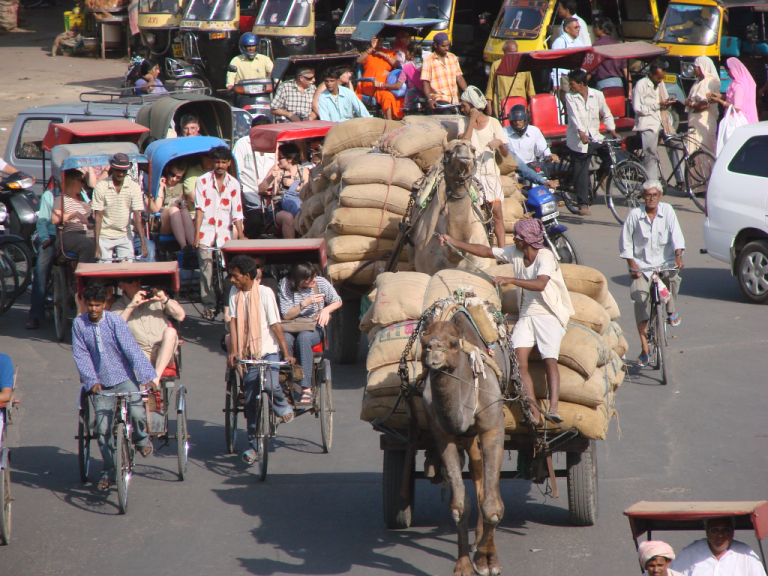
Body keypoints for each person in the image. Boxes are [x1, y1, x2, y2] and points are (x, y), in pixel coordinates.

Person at [438, 218, 574, 425]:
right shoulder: (516, 252)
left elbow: (540, 284)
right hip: (527, 316)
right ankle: (533, 412)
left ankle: (553, 408)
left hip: (549, 315)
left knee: (549, 360)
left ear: (526, 240)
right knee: (519, 362)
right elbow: (485, 251)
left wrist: (509, 280)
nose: (514, 239)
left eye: (517, 237)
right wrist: (453, 242)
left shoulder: (545, 256)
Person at [72, 283, 157, 491]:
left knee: (137, 413)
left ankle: (141, 438)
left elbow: (132, 350)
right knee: (102, 430)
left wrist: (147, 377)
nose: (93, 309)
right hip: (101, 384)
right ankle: (109, 470)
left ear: (104, 304)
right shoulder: (79, 324)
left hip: (124, 377)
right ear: (85, 303)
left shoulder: (116, 322)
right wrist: (92, 381)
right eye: (90, 305)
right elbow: (81, 355)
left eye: (98, 305)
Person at [227, 255, 296, 464]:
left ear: (248, 276)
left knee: (272, 384)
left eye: (235, 276)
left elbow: (275, 325)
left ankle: (282, 407)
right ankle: (253, 446)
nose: (232, 280)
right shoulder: (234, 293)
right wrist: (234, 351)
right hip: (248, 354)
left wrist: (286, 353)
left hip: (268, 350)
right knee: (250, 399)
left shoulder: (265, 293)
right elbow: (234, 323)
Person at [619, 181, 685, 367]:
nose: (651, 198)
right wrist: (633, 266)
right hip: (642, 267)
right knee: (640, 299)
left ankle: (671, 310)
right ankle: (644, 348)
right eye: (648, 195)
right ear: (642, 197)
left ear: (660, 196)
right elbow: (626, 244)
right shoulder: (634, 215)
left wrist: (678, 257)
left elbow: (677, 236)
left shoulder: (668, 211)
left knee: (673, 278)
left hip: (665, 263)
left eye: (655, 195)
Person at [193, 146, 245, 319]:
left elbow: (237, 213)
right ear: (213, 163)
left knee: (228, 271)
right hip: (206, 232)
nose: (220, 165)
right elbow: (199, 210)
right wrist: (196, 235)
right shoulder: (202, 181)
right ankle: (208, 304)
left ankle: (228, 305)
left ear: (229, 163)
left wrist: (241, 235)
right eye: (217, 162)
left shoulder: (234, 184)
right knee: (206, 269)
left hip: (226, 234)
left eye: (223, 162)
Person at [278, 262, 341, 405]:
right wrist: (305, 303)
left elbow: (337, 301)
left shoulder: (320, 283)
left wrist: (325, 310)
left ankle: (306, 387)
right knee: (285, 340)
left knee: (304, 338)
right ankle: (286, 384)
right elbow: (286, 315)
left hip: (312, 326)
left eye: (314, 276)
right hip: (291, 325)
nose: (314, 280)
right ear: (298, 280)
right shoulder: (286, 284)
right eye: (309, 278)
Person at [111, 277, 185, 388]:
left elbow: (181, 316)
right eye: (130, 281)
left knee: (171, 331)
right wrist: (132, 305)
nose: (135, 283)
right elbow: (115, 326)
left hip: (163, 350)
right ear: (121, 286)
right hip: (140, 353)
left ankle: (156, 378)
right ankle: (148, 396)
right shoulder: (119, 305)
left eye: (137, 280)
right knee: (141, 389)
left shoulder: (154, 298)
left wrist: (165, 299)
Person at [458, 85, 508, 247]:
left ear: (473, 106)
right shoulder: (463, 122)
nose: (462, 109)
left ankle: (502, 252)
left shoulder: (493, 123)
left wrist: (499, 143)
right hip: (473, 176)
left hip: (490, 175)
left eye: (464, 106)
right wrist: (472, 120)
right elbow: (464, 143)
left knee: (497, 214)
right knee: (477, 216)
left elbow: (506, 154)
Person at [565, 68, 619, 216]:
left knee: (610, 155)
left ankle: (601, 174)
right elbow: (574, 116)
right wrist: (581, 133)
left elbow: (606, 112)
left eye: (572, 84)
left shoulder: (597, 95)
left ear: (581, 84)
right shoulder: (570, 96)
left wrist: (611, 129)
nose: (570, 87)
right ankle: (583, 204)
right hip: (577, 139)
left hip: (594, 135)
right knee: (581, 171)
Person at [93, 153, 148, 260]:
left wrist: (143, 243)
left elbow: (137, 216)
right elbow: (98, 217)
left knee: (127, 270)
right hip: (104, 235)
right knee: (104, 269)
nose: (121, 174)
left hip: (125, 235)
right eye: (118, 170)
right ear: (112, 169)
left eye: (124, 171)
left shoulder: (134, 187)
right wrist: (97, 245)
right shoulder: (101, 187)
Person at [671, 517, 767, 576]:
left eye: (725, 530)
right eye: (714, 530)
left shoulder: (746, 554)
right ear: (707, 531)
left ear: (732, 532)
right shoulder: (690, 553)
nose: (720, 534)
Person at [633, 60, 678, 183]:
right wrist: (657, 105)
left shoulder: (661, 84)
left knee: (676, 146)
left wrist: (668, 102)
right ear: (651, 74)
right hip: (647, 124)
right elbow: (637, 108)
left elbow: (663, 101)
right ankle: (652, 184)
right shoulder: (641, 85)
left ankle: (681, 181)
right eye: (658, 78)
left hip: (662, 122)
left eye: (661, 78)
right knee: (650, 155)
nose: (660, 80)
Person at [233, 115, 274, 239]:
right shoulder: (242, 144)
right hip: (249, 194)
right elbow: (236, 171)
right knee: (254, 222)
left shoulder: (273, 144)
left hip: (271, 195)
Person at [258, 143, 309, 240]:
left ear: (290, 159)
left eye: (280, 158)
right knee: (288, 217)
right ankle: (291, 249)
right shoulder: (277, 170)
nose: (278, 160)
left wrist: (295, 186)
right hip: (279, 206)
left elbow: (307, 191)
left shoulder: (304, 171)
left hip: (298, 204)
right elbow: (261, 189)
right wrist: (270, 178)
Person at [148, 158, 196, 248]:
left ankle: (193, 246)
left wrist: (181, 203)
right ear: (167, 170)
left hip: (178, 220)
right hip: (162, 222)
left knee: (184, 211)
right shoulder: (160, 183)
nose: (174, 179)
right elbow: (157, 208)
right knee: (174, 209)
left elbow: (183, 204)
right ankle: (184, 246)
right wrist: (161, 188)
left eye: (178, 177)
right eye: (172, 175)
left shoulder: (180, 185)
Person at [51, 168, 96, 263]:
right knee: (87, 244)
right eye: (81, 181)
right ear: (72, 182)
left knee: (104, 240)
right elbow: (55, 219)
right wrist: (72, 214)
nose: (83, 184)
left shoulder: (82, 199)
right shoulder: (61, 199)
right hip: (70, 234)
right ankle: (85, 274)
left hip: (87, 232)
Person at [504, 104, 560, 180]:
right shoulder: (503, 132)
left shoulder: (534, 131)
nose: (517, 123)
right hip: (513, 172)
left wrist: (549, 155)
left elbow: (542, 150)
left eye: (520, 120)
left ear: (526, 119)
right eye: (515, 121)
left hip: (532, 171)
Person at [484, 40, 535, 118]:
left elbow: (530, 89)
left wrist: (530, 107)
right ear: (504, 52)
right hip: (502, 109)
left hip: (520, 108)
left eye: (516, 52)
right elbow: (490, 87)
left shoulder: (523, 65)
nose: (514, 55)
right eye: (511, 52)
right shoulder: (496, 65)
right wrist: (489, 106)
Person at [355, 36, 402, 120]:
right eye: (376, 39)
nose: (379, 41)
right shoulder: (368, 53)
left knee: (399, 96)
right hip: (370, 85)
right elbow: (359, 61)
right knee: (387, 96)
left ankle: (397, 120)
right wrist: (371, 48)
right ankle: (389, 123)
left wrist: (383, 55)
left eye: (381, 39)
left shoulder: (389, 53)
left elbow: (397, 65)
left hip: (385, 85)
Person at [421, 32, 467, 113]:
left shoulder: (453, 57)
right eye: (443, 46)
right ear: (435, 46)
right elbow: (425, 82)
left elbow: (459, 77)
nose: (446, 48)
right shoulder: (428, 61)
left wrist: (468, 93)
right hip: (440, 100)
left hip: (455, 100)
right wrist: (429, 99)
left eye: (447, 45)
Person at [684, 56, 720, 154]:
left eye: (696, 66)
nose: (694, 68)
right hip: (695, 121)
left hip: (703, 121)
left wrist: (691, 104)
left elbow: (704, 104)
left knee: (704, 148)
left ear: (701, 67)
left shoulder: (708, 83)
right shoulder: (698, 82)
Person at [709, 57, 759, 124]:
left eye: (728, 71)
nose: (727, 74)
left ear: (734, 69)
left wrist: (719, 101)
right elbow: (731, 97)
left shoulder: (739, 85)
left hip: (738, 121)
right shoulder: (737, 83)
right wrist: (717, 96)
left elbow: (736, 108)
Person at [551, 17, 584, 113]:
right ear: (567, 29)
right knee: (569, 103)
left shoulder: (578, 42)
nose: (578, 29)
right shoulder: (560, 42)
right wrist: (555, 82)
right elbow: (554, 64)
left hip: (576, 76)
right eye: (576, 27)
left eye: (579, 27)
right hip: (565, 78)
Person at [225, 33, 273, 97]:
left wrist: (276, 84)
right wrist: (230, 86)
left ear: (257, 46)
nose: (251, 48)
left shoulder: (265, 59)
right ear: (243, 47)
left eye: (253, 46)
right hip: (242, 95)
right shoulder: (235, 60)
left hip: (262, 94)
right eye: (248, 46)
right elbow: (231, 75)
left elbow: (273, 74)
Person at [590, 18, 628, 92]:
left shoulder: (596, 45)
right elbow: (625, 69)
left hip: (603, 84)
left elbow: (593, 69)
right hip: (618, 84)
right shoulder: (619, 45)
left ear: (603, 30)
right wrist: (629, 88)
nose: (594, 29)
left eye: (596, 27)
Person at [182, 151, 214, 219]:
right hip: (195, 215)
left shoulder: (219, 172)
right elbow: (193, 198)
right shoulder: (192, 171)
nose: (209, 159)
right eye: (206, 156)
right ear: (201, 156)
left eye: (211, 156)